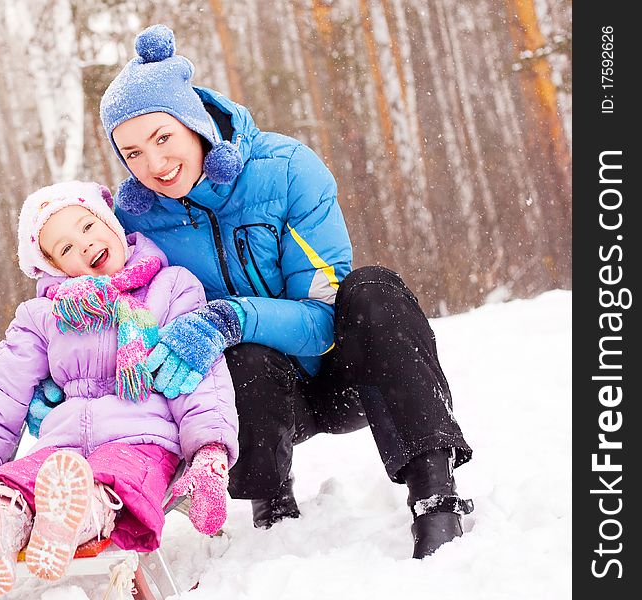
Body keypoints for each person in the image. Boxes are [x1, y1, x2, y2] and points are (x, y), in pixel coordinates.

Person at [95, 24, 474, 559]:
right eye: (132, 153)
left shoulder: (286, 170)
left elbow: (323, 317)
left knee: (372, 290)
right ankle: (269, 500)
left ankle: (435, 493)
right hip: (259, 400)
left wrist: (232, 316)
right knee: (241, 354)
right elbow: (111, 307)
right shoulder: (137, 223)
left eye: (163, 138)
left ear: (195, 124)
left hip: (345, 376)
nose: (154, 165)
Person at [0, 180, 239, 596]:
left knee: (110, 480)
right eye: (64, 249)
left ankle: (75, 515)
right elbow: (1, 397)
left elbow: (199, 376)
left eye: (86, 226)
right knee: (19, 482)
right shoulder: (43, 315)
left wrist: (209, 451)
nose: (83, 246)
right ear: (54, 269)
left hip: (145, 440)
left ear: (111, 224)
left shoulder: (171, 287)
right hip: (60, 447)